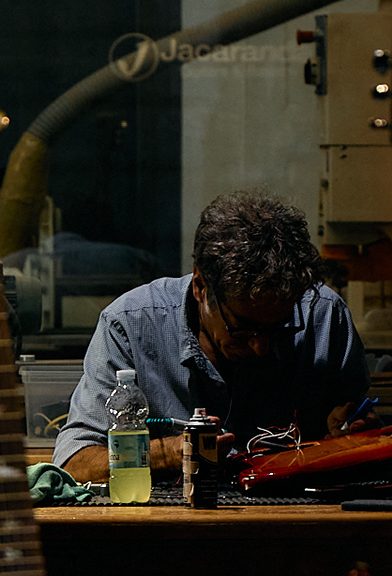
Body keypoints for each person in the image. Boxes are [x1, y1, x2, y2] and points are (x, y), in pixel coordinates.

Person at [54, 190, 375, 483]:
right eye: (242, 328)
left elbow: (364, 434)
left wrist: (361, 437)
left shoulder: (323, 316)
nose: (260, 346)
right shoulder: (130, 325)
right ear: (200, 287)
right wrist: (167, 454)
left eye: (279, 327)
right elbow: (75, 462)